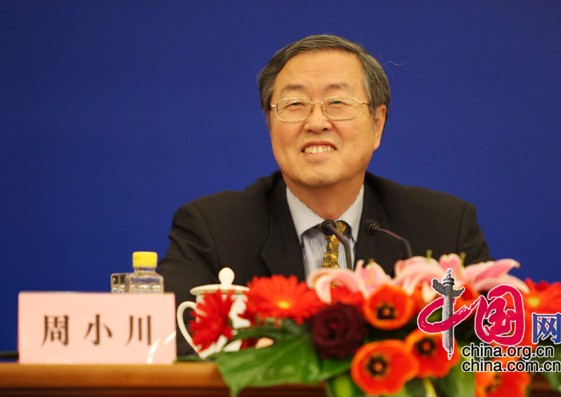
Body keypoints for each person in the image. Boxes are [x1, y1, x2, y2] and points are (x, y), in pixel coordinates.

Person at [157, 34, 491, 355]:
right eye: (295, 104)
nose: (316, 122)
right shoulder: (212, 229)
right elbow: (170, 344)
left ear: (378, 123)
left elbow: (491, 350)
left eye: (337, 102)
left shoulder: (444, 228)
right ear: (269, 123)